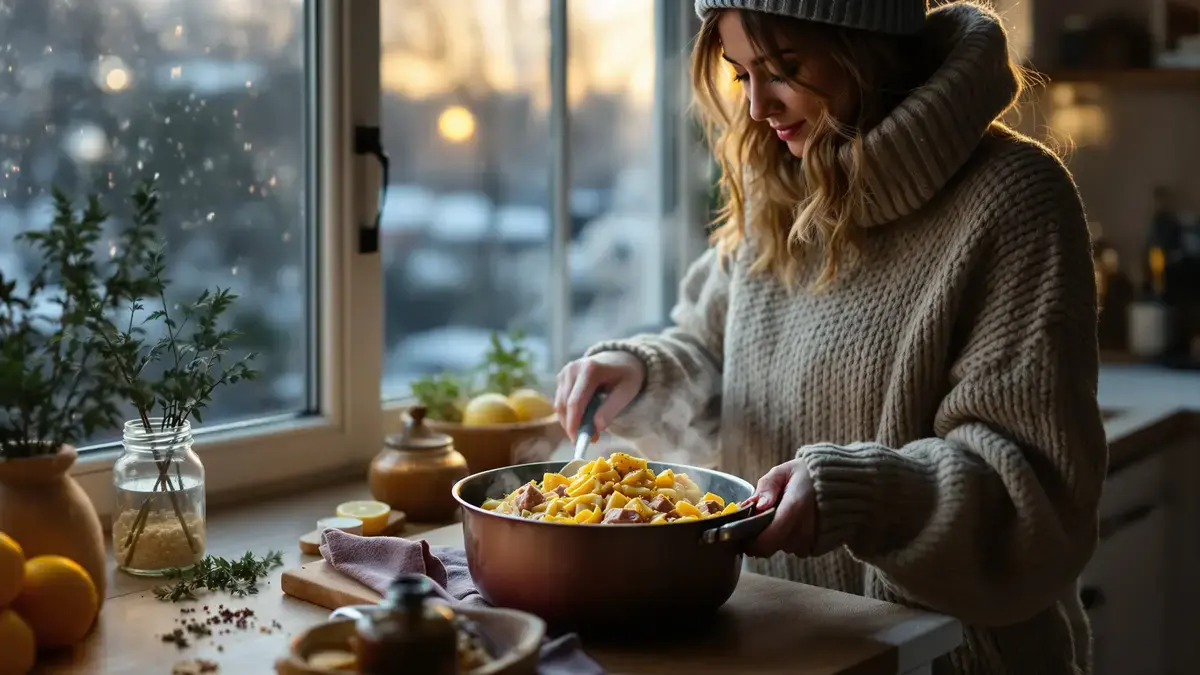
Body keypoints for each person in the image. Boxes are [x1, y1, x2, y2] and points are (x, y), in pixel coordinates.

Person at [554, 1, 1108, 673]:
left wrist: (865, 495)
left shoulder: (1016, 197)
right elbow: (706, 346)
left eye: (784, 68)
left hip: (953, 659)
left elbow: (1032, 495)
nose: (758, 107)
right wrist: (640, 371)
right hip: (780, 643)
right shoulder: (780, 178)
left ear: (866, 45)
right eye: (741, 74)